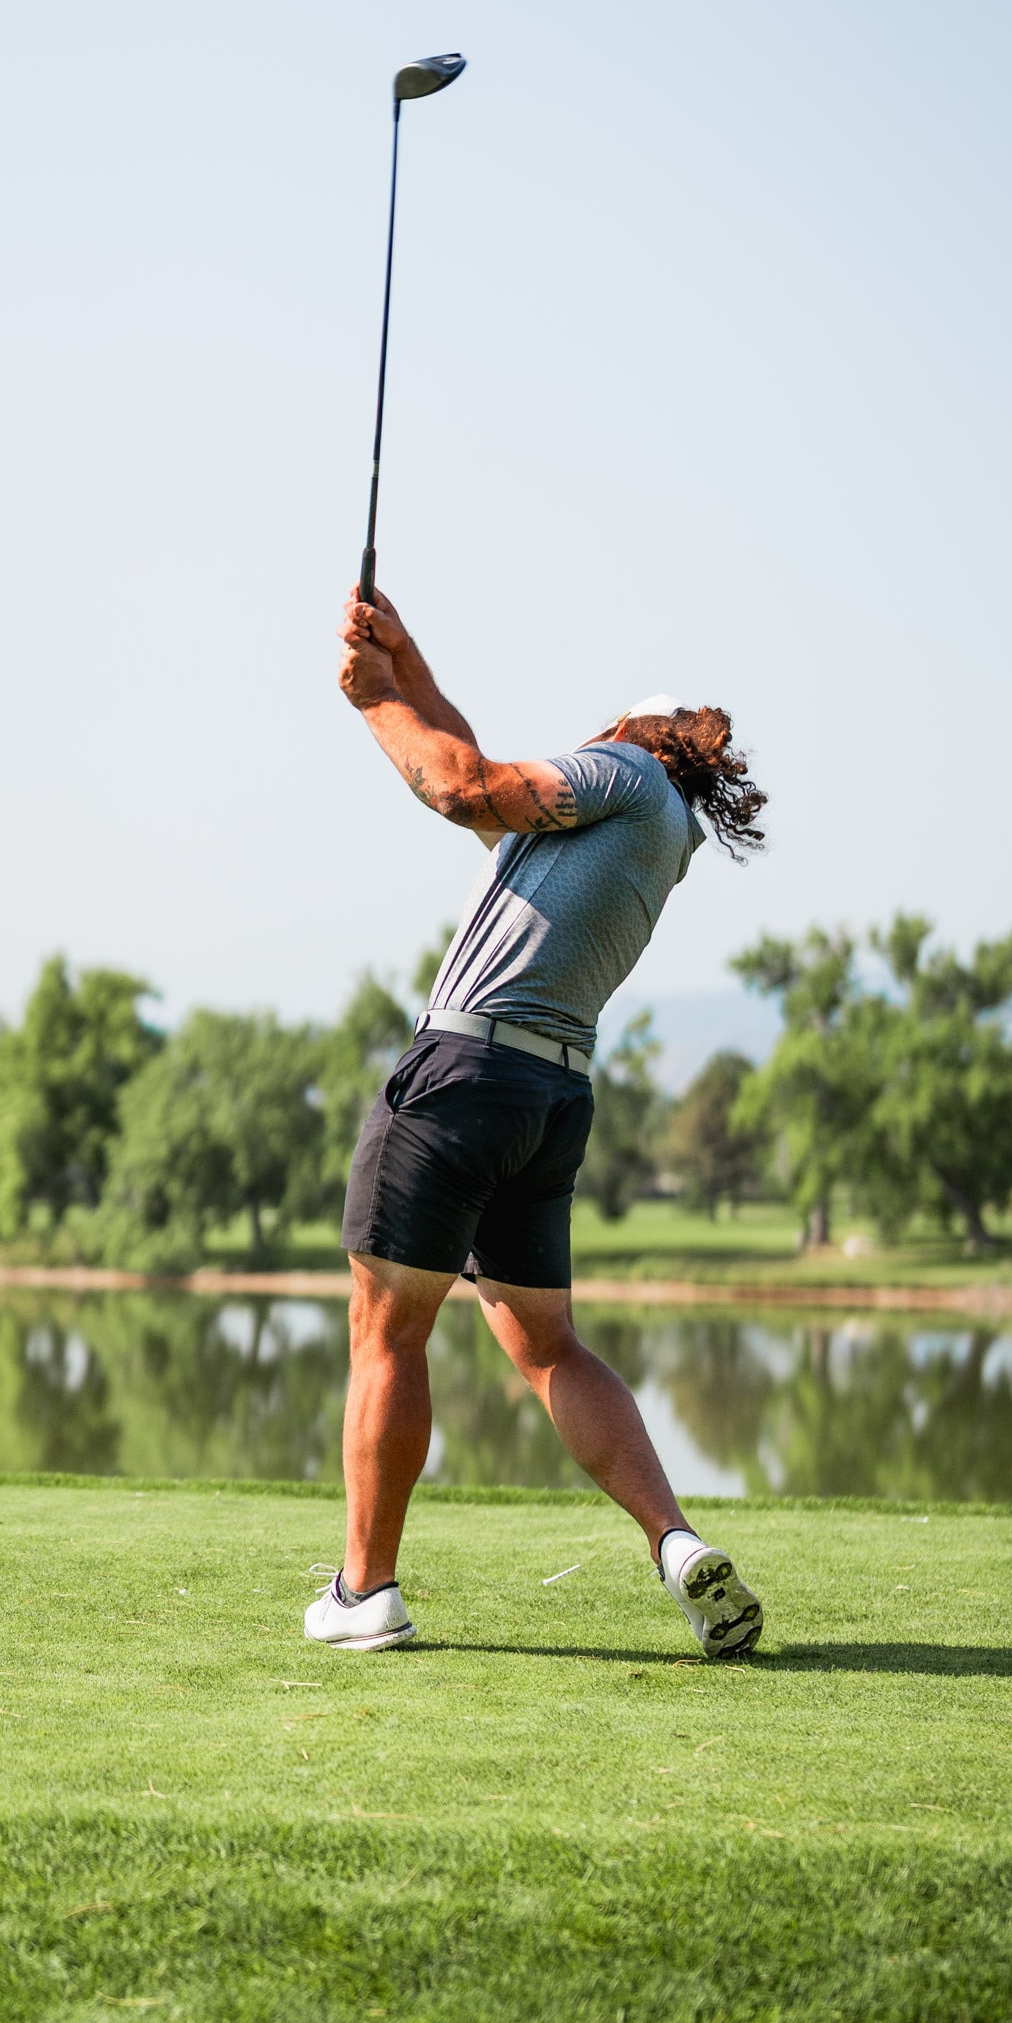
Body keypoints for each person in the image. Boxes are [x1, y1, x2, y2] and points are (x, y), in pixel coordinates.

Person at [306, 587, 768, 1659]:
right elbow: (478, 780)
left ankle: (364, 1589)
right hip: (549, 1101)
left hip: (465, 1071)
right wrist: (406, 662)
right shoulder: (652, 835)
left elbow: (461, 782)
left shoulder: (623, 772)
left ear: (630, 738)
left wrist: (375, 706)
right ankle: (672, 1544)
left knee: (387, 1329)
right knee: (545, 1344)